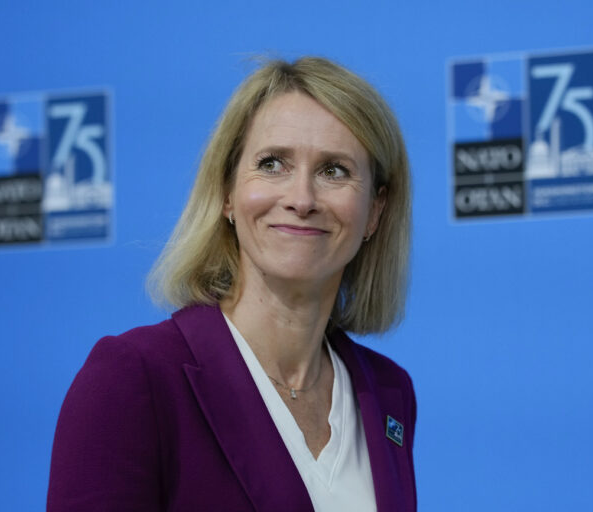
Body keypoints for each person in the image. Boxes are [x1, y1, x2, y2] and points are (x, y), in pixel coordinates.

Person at [47, 56, 415, 512]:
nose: (301, 199)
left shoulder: (387, 391)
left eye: (334, 170)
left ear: (375, 212)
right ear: (226, 193)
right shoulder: (133, 379)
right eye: (273, 163)